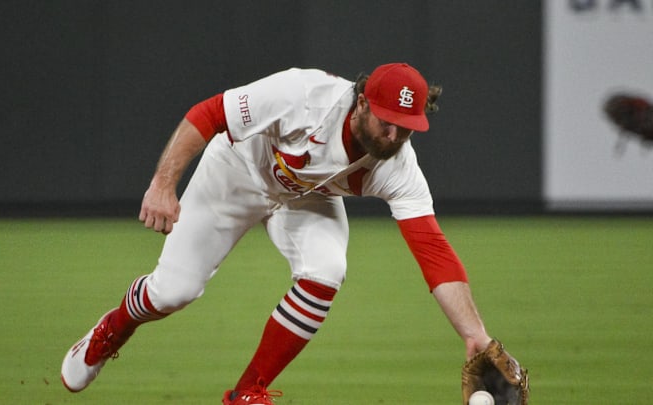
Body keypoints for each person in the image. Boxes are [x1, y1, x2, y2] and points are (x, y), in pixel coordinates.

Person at [61, 63, 494, 404]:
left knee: (326, 270)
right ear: (361, 102)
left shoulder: (398, 165)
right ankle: (113, 328)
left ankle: (247, 392)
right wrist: (162, 184)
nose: (394, 134)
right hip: (237, 172)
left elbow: (432, 250)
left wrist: (475, 335)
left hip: (305, 196)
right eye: (386, 121)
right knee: (173, 292)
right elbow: (208, 113)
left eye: (406, 126)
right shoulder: (303, 96)